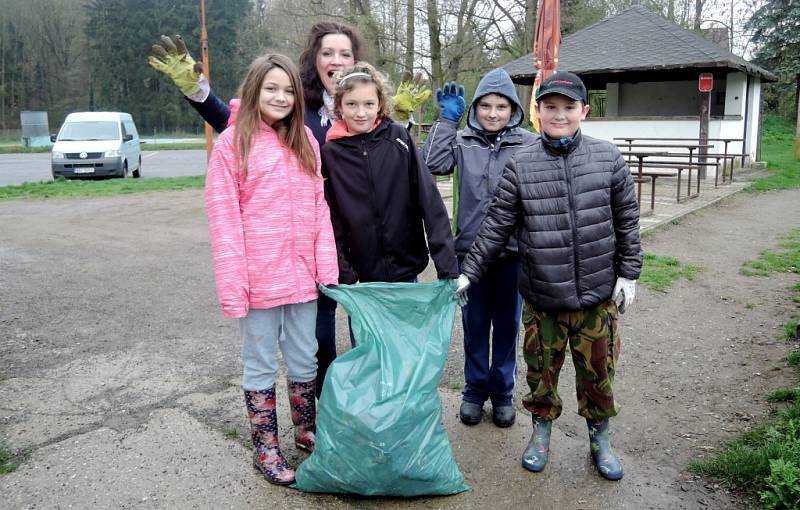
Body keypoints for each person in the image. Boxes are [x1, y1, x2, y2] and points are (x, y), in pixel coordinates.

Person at [148, 23, 429, 395]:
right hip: (314, 244)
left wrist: (397, 114)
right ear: (314, 61)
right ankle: (327, 404)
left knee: (368, 325)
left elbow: (389, 152)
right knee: (318, 334)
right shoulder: (297, 108)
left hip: (361, 235)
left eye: (346, 53)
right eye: (328, 53)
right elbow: (239, 124)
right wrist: (196, 90)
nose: (337, 60)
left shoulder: (362, 107)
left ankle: (369, 402)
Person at [454, 71, 642, 481]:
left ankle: (600, 439)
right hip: (542, 298)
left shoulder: (607, 158)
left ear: (584, 112)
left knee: (598, 376)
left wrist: (629, 273)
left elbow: (628, 221)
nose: (559, 115)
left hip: (596, 296)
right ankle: (540, 435)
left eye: (568, 107)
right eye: (550, 107)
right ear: (537, 112)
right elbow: (497, 225)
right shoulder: (521, 165)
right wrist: (469, 272)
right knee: (541, 375)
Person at [204, 53, 338, 486]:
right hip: (258, 281)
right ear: (254, 90)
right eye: (271, 89)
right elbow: (223, 218)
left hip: (301, 280)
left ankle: (305, 429)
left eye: (288, 90)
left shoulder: (305, 142)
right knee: (260, 364)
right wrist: (233, 285)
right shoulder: (232, 144)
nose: (280, 97)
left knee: (305, 358)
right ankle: (266, 447)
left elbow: (319, 210)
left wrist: (326, 270)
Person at [422, 68, 537, 428]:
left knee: (506, 326)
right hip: (468, 254)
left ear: (514, 109)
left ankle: (502, 393)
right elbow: (430, 165)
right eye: (485, 105)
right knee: (473, 325)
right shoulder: (462, 141)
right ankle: (474, 391)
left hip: (512, 253)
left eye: (501, 106)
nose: (492, 113)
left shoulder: (528, 143)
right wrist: (445, 122)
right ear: (474, 108)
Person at [322, 62, 458, 291]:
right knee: (366, 328)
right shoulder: (330, 154)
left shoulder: (398, 138)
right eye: (351, 104)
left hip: (406, 266)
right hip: (362, 275)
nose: (361, 112)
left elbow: (429, 200)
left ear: (380, 105)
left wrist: (447, 266)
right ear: (339, 106)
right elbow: (330, 217)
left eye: (369, 104)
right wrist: (344, 271)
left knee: (408, 327)